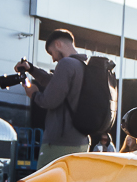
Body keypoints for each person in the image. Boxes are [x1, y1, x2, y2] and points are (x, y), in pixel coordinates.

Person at [22, 30, 90, 168]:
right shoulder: (83, 66)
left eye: (51, 52)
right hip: (81, 141)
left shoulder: (66, 63)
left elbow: (49, 101)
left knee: (43, 180)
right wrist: (32, 69)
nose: (53, 59)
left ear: (58, 44)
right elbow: (55, 83)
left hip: (59, 143)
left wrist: (34, 94)